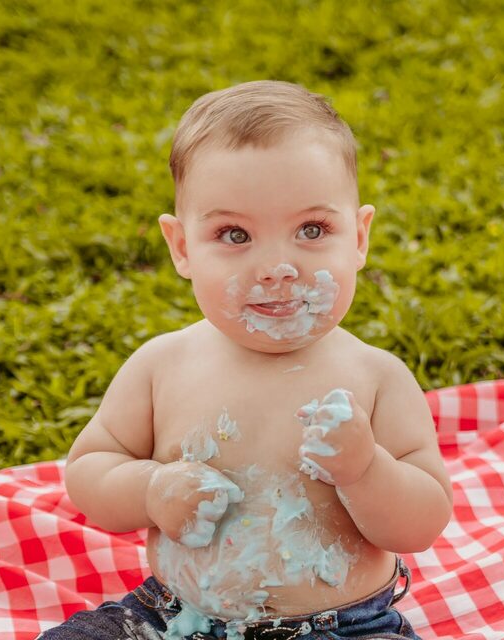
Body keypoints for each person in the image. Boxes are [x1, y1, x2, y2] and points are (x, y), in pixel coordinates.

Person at [41, 80, 453, 640]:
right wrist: (151, 489)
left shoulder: (376, 377)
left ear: (359, 238)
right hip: (172, 616)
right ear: (182, 247)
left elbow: (422, 524)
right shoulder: (163, 365)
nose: (277, 267)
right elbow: (91, 469)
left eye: (312, 230)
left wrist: (365, 470)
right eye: (235, 234)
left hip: (341, 627)